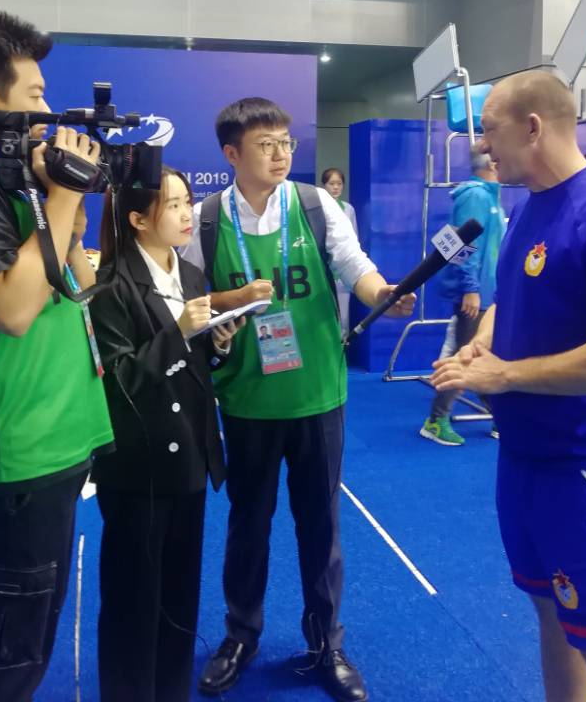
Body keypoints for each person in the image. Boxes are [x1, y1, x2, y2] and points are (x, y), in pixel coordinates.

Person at [183, 97, 415, 702]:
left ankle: (326, 641)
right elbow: (190, 301)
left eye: (285, 142)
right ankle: (241, 635)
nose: (280, 154)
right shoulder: (207, 220)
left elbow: (354, 265)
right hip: (246, 401)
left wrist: (381, 293)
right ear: (231, 153)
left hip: (317, 396)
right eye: (265, 145)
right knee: (247, 525)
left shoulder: (315, 205)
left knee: (321, 526)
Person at [0, 9, 115, 702]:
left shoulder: (16, 189)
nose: (47, 109)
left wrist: (67, 209)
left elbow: (79, 288)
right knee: (1, 664)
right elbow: (11, 310)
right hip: (14, 462)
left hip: (52, 450)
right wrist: (61, 195)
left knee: (27, 647)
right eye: (35, 94)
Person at [431, 70, 586, 702]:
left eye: (489, 130)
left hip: (580, 463)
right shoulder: (527, 206)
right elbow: (509, 299)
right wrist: (483, 341)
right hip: (523, 459)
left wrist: (504, 375)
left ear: (532, 127)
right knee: (553, 614)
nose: (481, 145)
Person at [88, 167, 243, 702]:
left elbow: (198, 370)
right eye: (172, 204)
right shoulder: (111, 287)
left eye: (187, 201)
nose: (185, 213)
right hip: (138, 467)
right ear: (138, 219)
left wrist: (218, 344)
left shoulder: (192, 277)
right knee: (132, 600)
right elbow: (119, 383)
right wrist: (178, 333)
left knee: (180, 597)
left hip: (190, 458)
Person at [419, 145, 506, 446]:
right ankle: (435, 421)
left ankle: (501, 418)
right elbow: (463, 246)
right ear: (491, 162)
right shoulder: (475, 196)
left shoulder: (490, 195)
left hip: (489, 293)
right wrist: (470, 288)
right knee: (465, 355)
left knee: (485, 353)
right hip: (475, 295)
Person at [321, 168, 358, 333]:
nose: (336, 187)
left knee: (343, 315)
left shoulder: (348, 209)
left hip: (343, 270)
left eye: (339, 184)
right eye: (331, 184)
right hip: (323, 268)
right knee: (325, 313)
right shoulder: (317, 207)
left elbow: (354, 238)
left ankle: (343, 342)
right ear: (324, 185)